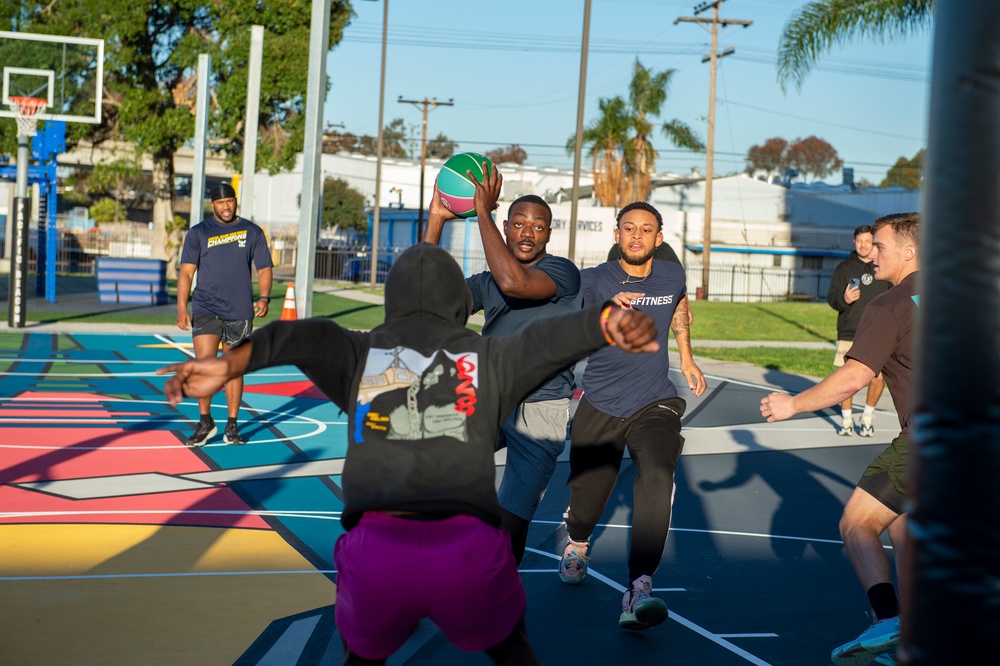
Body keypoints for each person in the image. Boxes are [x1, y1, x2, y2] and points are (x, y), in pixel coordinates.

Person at [159, 243, 661, 665]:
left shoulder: (358, 352)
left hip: (377, 548)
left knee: (362, 657)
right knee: (512, 648)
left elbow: (301, 335)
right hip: (465, 549)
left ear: (390, 301)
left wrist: (229, 363)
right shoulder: (489, 357)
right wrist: (605, 322)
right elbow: (547, 341)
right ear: (461, 305)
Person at [760, 212, 919, 666]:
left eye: (882, 245)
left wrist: (793, 404)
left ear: (909, 251)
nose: (873, 252)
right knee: (904, 525)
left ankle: (887, 619)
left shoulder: (889, 304)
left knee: (857, 523)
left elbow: (856, 375)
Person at [557, 200, 707, 632]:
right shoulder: (592, 280)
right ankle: (578, 543)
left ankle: (639, 585)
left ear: (659, 239)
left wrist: (688, 358)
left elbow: (679, 308)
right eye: (629, 228)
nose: (637, 235)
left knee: (659, 473)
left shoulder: (672, 273)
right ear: (617, 234)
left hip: (655, 401)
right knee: (587, 501)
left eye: (646, 230)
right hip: (601, 402)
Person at [424, 164, 581, 564]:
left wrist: (482, 212)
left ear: (549, 233)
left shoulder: (561, 273)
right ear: (507, 226)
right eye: (519, 224)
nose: (527, 234)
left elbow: (515, 282)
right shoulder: (485, 282)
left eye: (539, 226)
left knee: (511, 521)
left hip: (540, 409)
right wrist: (436, 222)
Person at [176, 182, 273, 447]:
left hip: (240, 309)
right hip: (206, 307)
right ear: (213, 205)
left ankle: (232, 426)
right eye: (220, 203)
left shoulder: (252, 232)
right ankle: (205, 422)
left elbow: (264, 269)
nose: (226, 206)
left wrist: (264, 297)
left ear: (235, 201)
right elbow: (186, 272)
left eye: (229, 201)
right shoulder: (198, 233)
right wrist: (182, 306)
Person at [826, 224, 891, 437]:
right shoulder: (844, 268)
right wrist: (844, 299)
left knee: (877, 377)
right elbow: (832, 299)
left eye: (867, 241)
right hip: (849, 331)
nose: (863, 245)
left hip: (877, 333)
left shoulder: (882, 267)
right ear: (854, 242)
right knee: (846, 377)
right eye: (859, 241)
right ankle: (846, 421)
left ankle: (867, 418)